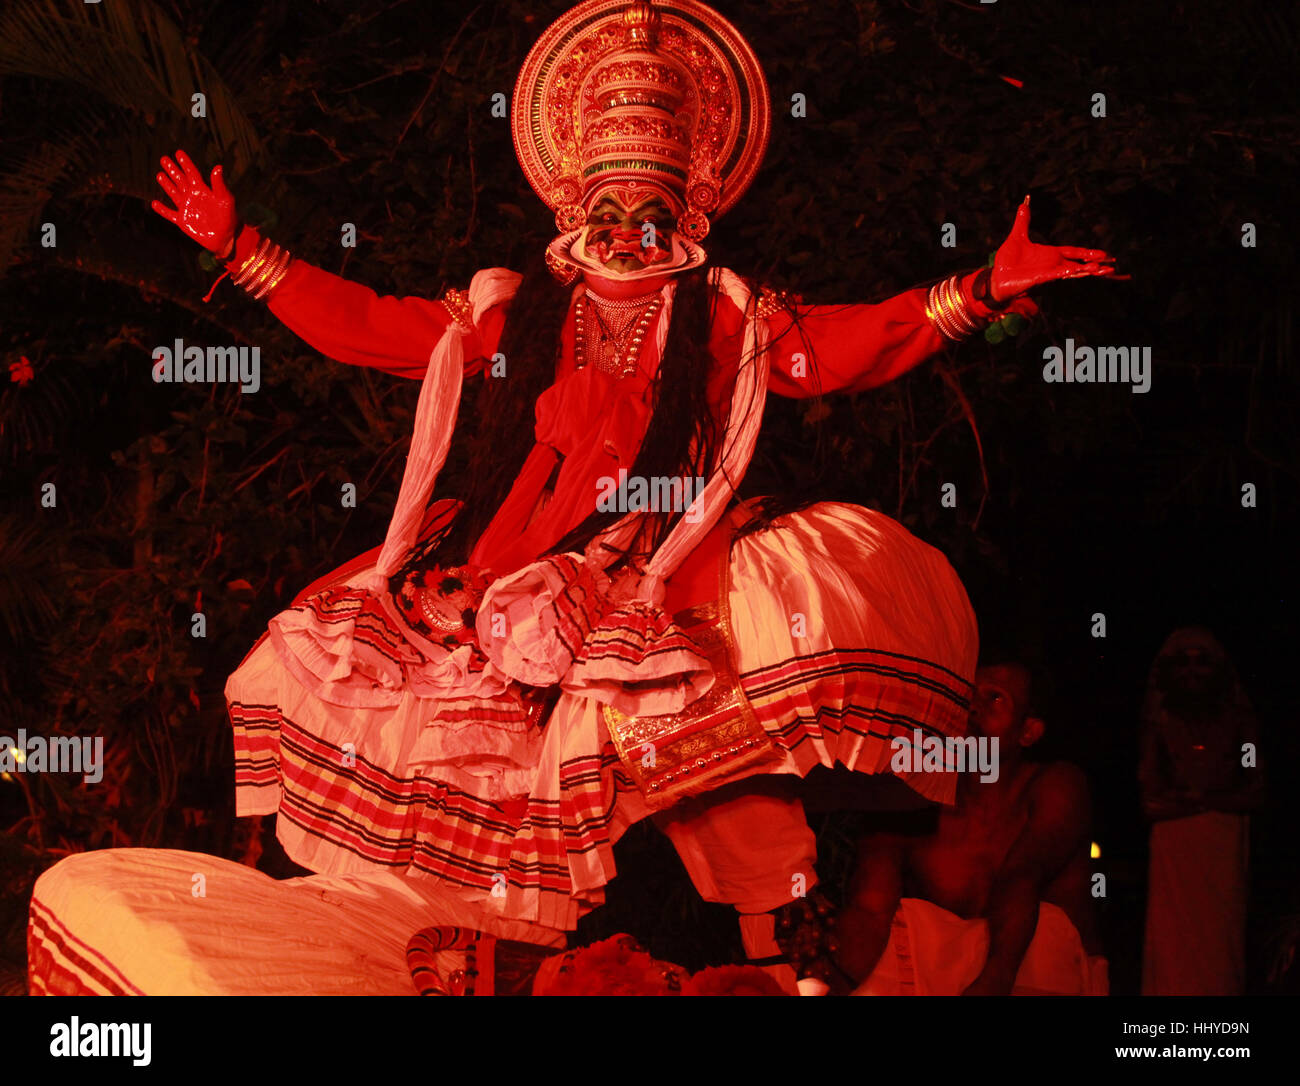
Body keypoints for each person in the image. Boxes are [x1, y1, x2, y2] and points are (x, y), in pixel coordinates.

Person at [31, 0, 1122, 994]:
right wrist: (246, 252)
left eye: (647, 206)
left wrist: (978, 288)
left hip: (650, 570)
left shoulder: (723, 318)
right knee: (426, 751)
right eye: (605, 204)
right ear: (572, 204)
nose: (624, 228)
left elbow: (840, 347)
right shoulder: (514, 316)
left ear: (686, 207)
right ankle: (431, 965)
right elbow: (375, 326)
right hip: (495, 579)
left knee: (724, 760)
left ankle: (786, 971)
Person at [835, 662, 1108, 995]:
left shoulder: (1057, 786)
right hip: (947, 985)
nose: (973, 708)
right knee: (902, 921)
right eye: (965, 696)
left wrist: (996, 978)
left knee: (1044, 929)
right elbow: (870, 909)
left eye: (994, 698)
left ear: (1028, 731)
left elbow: (1023, 876)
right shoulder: (911, 798)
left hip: (1042, 980)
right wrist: (832, 987)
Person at [1140, 626, 1263, 995]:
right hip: (1174, 847)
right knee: (1174, 942)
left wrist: (1206, 803)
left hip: (1223, 842)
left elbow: (1256, 790)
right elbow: (1149, 800)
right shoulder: (1159, 726)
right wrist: (1193, 804)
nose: (1193, 673)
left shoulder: (1241, 725)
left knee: (1219, 943)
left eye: (1202, 663)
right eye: (1184, 663)